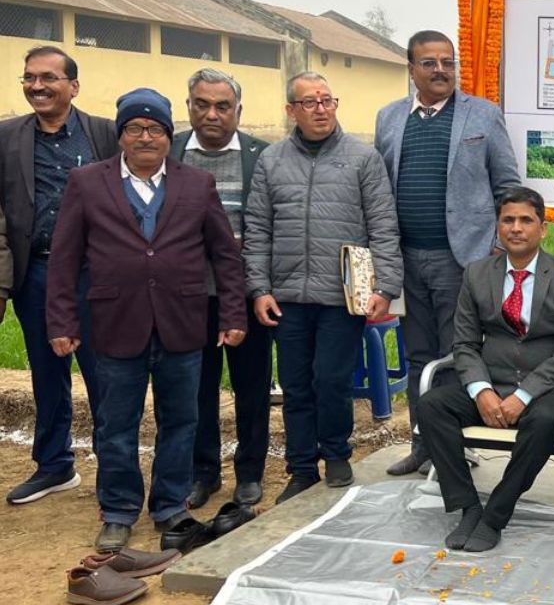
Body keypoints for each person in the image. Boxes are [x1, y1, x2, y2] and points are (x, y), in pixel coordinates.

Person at [45, 88, 247, 553]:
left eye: (155, 129)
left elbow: (224, 255)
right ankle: (117, 510)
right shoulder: (86, 183)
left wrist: (233, 311)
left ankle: (170, 505)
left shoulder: (196, 184)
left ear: (168, 134)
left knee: (181, 420)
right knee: (116, 424)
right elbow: (64, 259)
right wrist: (61, 321)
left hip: (182, 322)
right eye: (134, 129)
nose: (145, 137)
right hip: (115, 324)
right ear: (121, 136)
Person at [244, 72, 402, 504]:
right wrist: (259, 288)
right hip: (288, 296)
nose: (320, 109)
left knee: (331, 380)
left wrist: (385, 287)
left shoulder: (362, 158)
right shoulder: (272, 160)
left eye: (327, 100)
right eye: (310, 102)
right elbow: (257, 229)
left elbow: (383, 227)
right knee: (295, 386)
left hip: (341, 298)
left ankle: (335, 452)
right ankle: (300, 468)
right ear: (291, 110)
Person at [375, 30, 520, 477]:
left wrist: (495, 252)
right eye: (430, 62)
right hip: (406, 260)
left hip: (464, 262)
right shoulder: (389, 118)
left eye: (447, 62)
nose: (441, 70)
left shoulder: (483, 115)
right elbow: (380, 187)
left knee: (456, 355)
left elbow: (509, 186)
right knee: (417, 356)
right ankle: (422, 445)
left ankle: (455, 448)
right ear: (412, 68)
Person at [419, 186, 554, 552]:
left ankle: (496, 513)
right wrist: (481, 390)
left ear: (543, 229)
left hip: (547, 390)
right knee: (431, 406)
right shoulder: (477, 274)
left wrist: (524, 394)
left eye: (526, 220)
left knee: (542, 422)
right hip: (491, 383)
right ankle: (467, 506)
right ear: (498, 227)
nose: (516, 228)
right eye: (508, 220)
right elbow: (464, 344)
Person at [0, 46, 116, 505]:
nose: (37, 86)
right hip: (38, 273)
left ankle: (115, 467)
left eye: (48, 78)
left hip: (97, 275)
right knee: (48, 373)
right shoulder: (6, 138)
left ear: (73, 85)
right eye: (29, 78)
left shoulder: (104, 135)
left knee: (106, 374)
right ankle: (54, 465)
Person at [170, 69, 272, 510]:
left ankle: (250, 473)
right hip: (186, 296)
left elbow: (267, 226)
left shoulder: (261, 156)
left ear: (238, 111)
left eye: (222, 106)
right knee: (197, 388)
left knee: (252, 387)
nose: (211, 114)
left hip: (246, 293)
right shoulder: (169, 151)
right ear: (189, 105)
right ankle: (203, 473)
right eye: (201, 104)